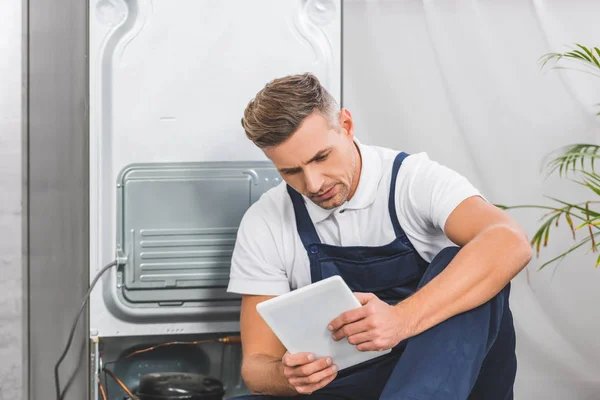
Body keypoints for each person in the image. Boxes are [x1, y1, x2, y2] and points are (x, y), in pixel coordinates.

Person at [226, 73, 531, 400]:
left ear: (346, 125)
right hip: (354, 384)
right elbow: (256, 367)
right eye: (291, 172)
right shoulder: (265, 220)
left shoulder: (412, 181)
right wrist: (287, 375)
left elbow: (509, 241)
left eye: (321, 157)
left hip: (454, 377)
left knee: (462, 257)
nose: (313, 184)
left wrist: (400, 320)